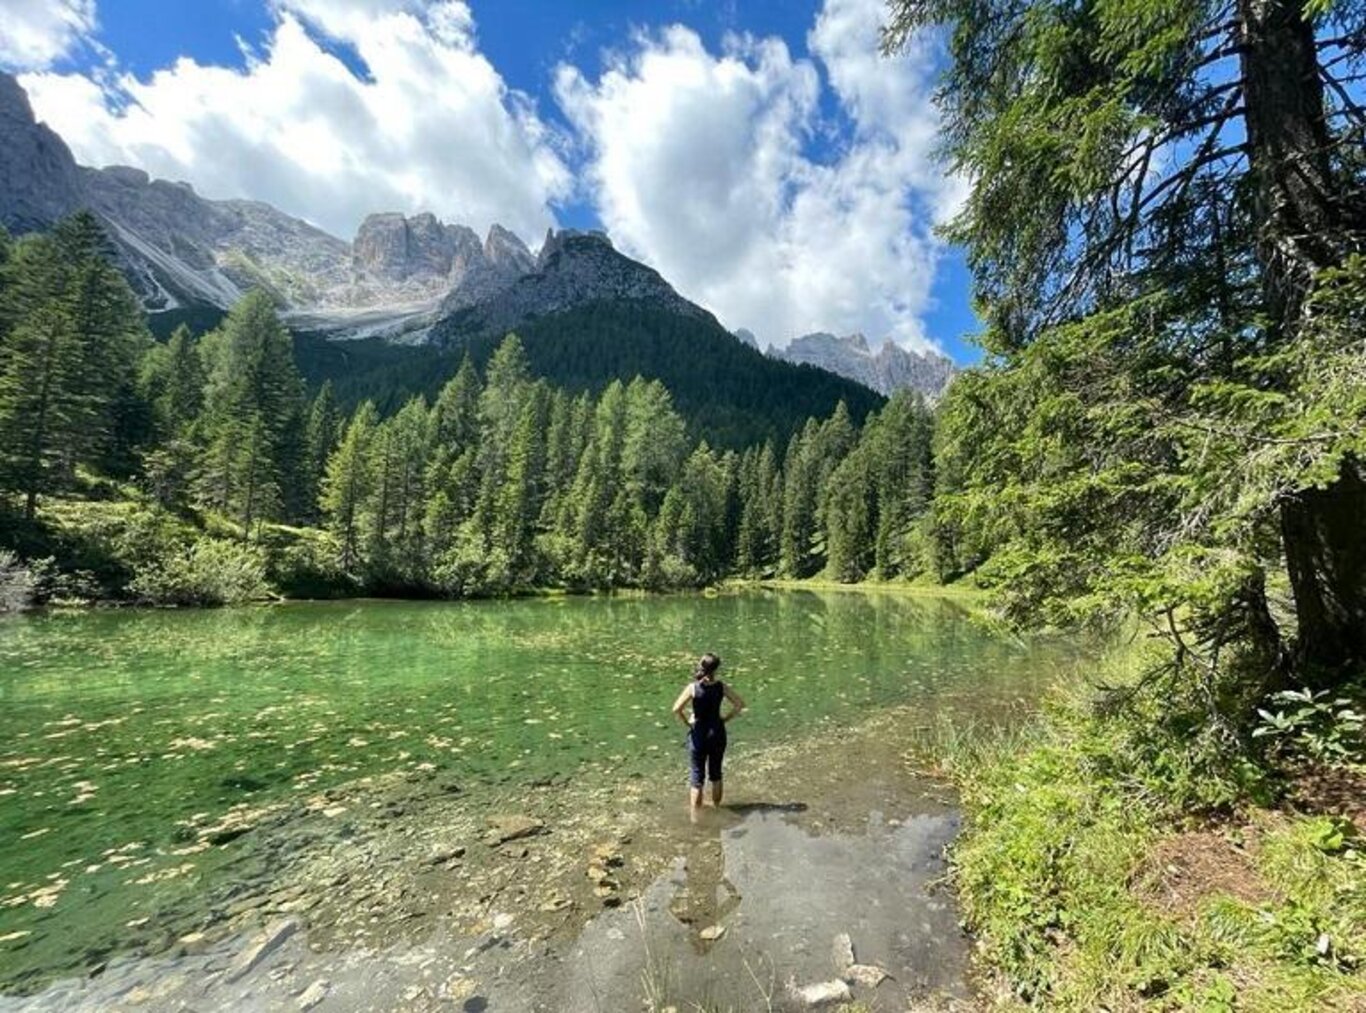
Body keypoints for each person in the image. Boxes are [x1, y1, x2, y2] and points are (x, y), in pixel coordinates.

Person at [672, 652, 746, 809]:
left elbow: (676, 709)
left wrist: (688, 723)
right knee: (716, 774)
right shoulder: (721, 687)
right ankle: (717, 808)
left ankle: (695, 816)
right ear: (716, 669)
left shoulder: (693, 687)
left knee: (697, 778)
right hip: (717, 733)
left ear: (702, 666)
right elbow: (739, 704)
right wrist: (725, 719)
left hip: (698, 734)